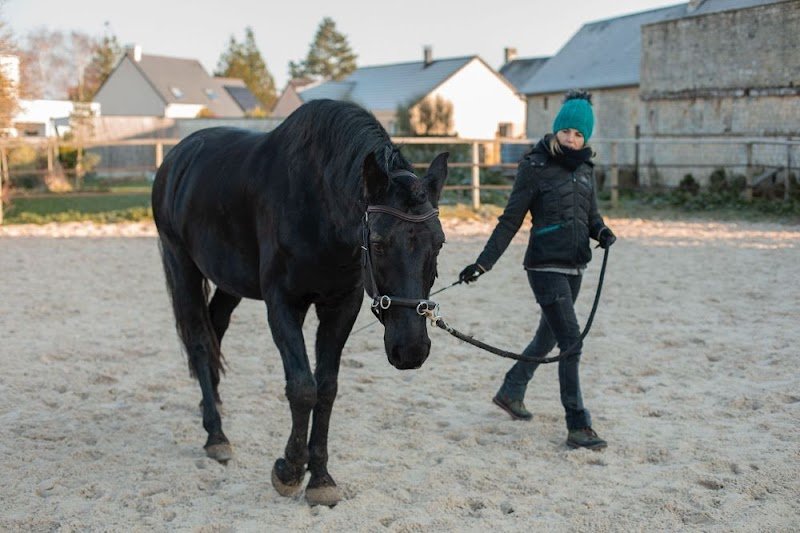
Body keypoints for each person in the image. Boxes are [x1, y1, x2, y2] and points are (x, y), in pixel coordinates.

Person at [459, 90, 616, 450]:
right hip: (544, 265)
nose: (572, 139)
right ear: (556, 130)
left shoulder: (587, 169)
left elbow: (589, 215)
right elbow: (510, 219)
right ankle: (578, 424)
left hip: (576, 264)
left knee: (549, 337)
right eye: (567, 132)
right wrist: (483, 263)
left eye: (579, 134)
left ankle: (511, 390)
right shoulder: (534, 166)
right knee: (571, 342)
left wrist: (602, 231)